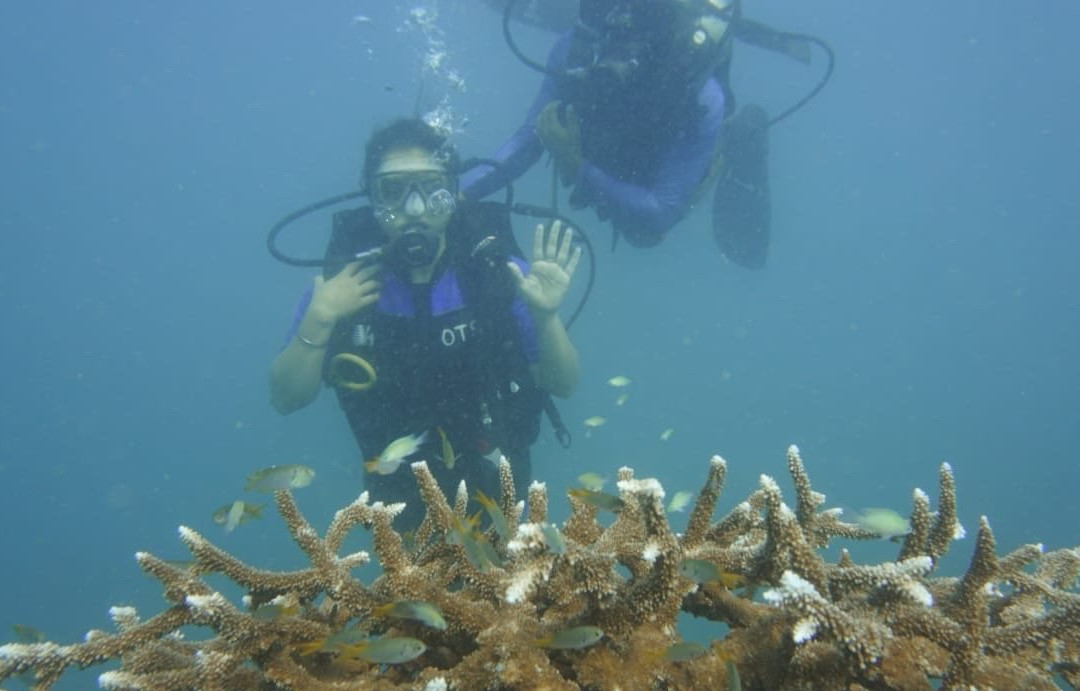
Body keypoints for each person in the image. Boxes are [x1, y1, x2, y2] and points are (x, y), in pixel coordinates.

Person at [270, 118, 581, 528]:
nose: (414, 209)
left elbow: (563, 383)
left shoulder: (497, 273)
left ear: (453, 192)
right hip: (398, 508)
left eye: (430, 187)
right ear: (371, 196)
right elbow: (285, 398)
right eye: (393, 191)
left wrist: (546, 317)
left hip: (502, 498)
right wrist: (321, 317)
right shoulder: (337, 289)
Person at [462, 0, 763, 254]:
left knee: (643, 236)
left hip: (649, 177)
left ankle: (744, 134)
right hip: (601, 160)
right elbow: (531, 138)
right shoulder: (581, 47)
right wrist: (455, 195)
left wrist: (576, 164)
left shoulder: (700, 95)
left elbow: (660, 212)